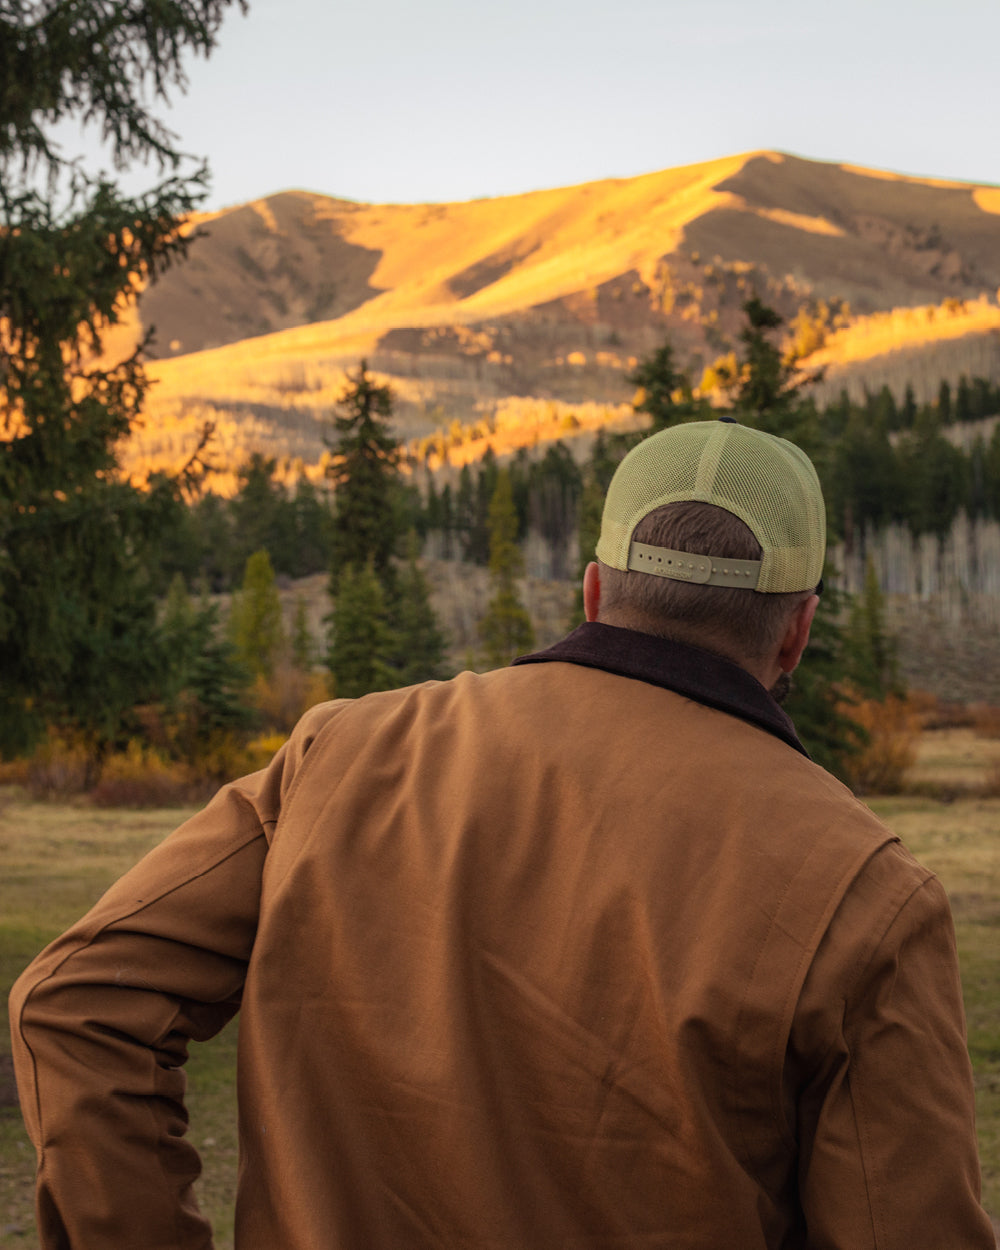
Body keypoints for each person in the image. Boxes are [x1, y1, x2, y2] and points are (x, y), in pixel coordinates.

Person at [10, 418, 994, 1249]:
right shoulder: (866, 890)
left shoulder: (339, 752)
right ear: (796, 632)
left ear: (596, 591)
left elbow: (77, 1002)